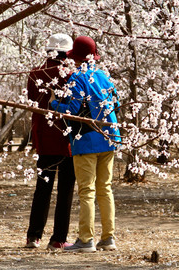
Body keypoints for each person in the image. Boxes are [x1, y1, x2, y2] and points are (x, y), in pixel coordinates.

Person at [50, 35, 121, 253]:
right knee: (105, 189)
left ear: (76, 57)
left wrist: (54, 103)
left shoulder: (77, 77)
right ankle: (108, 238)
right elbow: (116, 104)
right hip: (109, 137)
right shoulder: (104, 76)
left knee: (87, 190)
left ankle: (86, 239)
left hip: (86, 141)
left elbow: (72, 110)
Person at [25, 34, 76, 250]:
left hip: (44, 138)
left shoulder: (35, 73)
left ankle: (33, 237)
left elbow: (30, 101)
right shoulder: (72, 75)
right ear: (67, 54)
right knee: (65, 190)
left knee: (42, 188)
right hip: (67, 140)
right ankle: (58, 239)